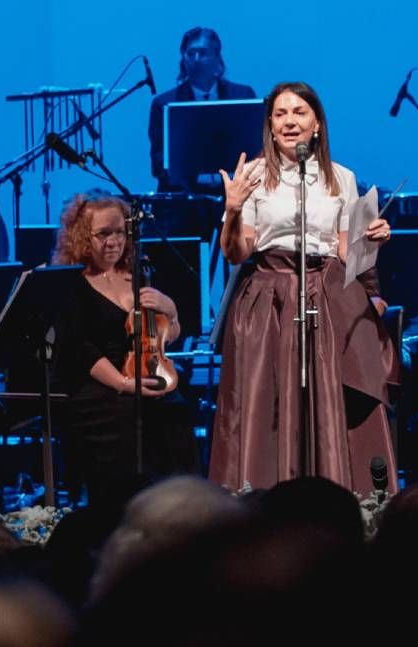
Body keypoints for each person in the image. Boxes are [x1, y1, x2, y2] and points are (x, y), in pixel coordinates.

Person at [209, 81, 396, 494]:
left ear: (317, 124)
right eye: (280, 114)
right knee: (268, 401)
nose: (290, 121)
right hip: (269, 298)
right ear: (270, 126)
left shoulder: (341, 177)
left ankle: (333, 495)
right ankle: (264, 498)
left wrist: (373, 237)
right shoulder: (255, 175)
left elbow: (347, 249)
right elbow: (237, 252)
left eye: (299, 112)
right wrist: (233, 208)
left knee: (326, 399)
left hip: (326, 294)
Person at [52, 191, 199, 504]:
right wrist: (123, 383)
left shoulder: (137, 274)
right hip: (98, 383)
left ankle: (181, 506)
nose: (114, 241)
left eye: (120, 232)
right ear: (81, 236)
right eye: (103, 234)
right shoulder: (70, 283)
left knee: (174, 407)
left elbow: (165, 334)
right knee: (127, 412)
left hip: (143, 372)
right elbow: (79, 348)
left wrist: (170, 309)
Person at [147, 27, 257, 192]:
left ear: (217, 57)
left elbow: (256, 150)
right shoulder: (164, 104)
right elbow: (159, 162)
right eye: (190, 54)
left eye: (203, 53)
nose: (196, 59)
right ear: (183, 60)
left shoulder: (243, 96)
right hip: (185, 198)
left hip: (235, 193)